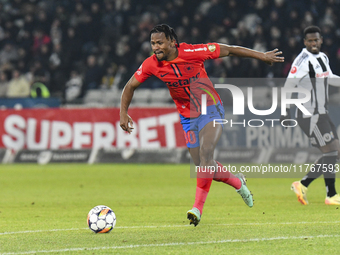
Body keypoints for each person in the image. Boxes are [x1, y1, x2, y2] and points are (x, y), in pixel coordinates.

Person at [120, 24, 284, 226]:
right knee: (203, 167)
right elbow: (130, 86)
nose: (155, 47)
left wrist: (261, 56)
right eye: (153, 43)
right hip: (187, 117)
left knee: (207, 154)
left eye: (160, 42)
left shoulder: (193, 52)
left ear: (172, 42)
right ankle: (237, 182)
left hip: (210, 108)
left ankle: (197, 208)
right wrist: (123, 112)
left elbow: (230, 49)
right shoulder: (151, 64)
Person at [281, 26, 340, 205]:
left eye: (316, 40)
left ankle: (304, 184)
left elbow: (329, 78)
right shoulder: (301, 61)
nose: (313, 43)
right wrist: (285, 112)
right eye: (310, 41)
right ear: (305, 42)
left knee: (334, 153)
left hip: (322, 113)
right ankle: (331, 195)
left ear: (321, 40)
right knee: (331, 151)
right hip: (309, 115)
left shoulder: (322, 58)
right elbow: (288, 86)